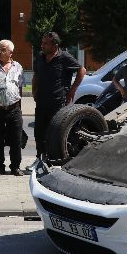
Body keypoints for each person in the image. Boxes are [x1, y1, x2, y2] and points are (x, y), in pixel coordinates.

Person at [32, 32, 86, 163]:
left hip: (57, 102)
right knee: (39, 132)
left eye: (45, 43)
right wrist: (34, 90)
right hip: (41, 101)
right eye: (42, 42)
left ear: (55, 45)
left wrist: (72, 90)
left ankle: (55, 159)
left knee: (55, 132)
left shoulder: (64, 57)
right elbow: (36, 74)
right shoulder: (40, 57)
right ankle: (39, 159)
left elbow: (82, 70)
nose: (42, 45)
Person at [0, 40, 25, 176]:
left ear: (10, 53)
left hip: (14, 109)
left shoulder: (18, 67)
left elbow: (19, 88)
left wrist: (20, 108)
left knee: (16, 139)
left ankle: (15, 167)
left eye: (3, 49)